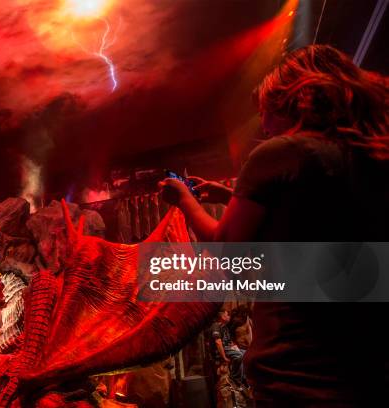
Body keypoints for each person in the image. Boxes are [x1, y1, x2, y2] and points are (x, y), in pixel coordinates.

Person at [160, 45, 389, 406]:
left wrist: (183, 200)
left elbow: (225, 249)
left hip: (298, 373)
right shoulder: (367, 155)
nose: (264, 128)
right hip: (364, 368)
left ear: (296, 101)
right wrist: (229, 195)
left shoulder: (281, 153)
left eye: (266, 114)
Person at [211, 308, 245, 386]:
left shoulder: (225, 327)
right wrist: (224, 357)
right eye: (227, 315)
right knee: (239, 356)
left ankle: (242, 378)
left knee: (245, 353)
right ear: (222, 317)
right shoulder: (216, 326)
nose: (229, 317)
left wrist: (234, 346)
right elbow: (218, 342)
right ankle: (234, 378)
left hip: (227, 348)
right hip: (220, 350)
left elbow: (229, 341)